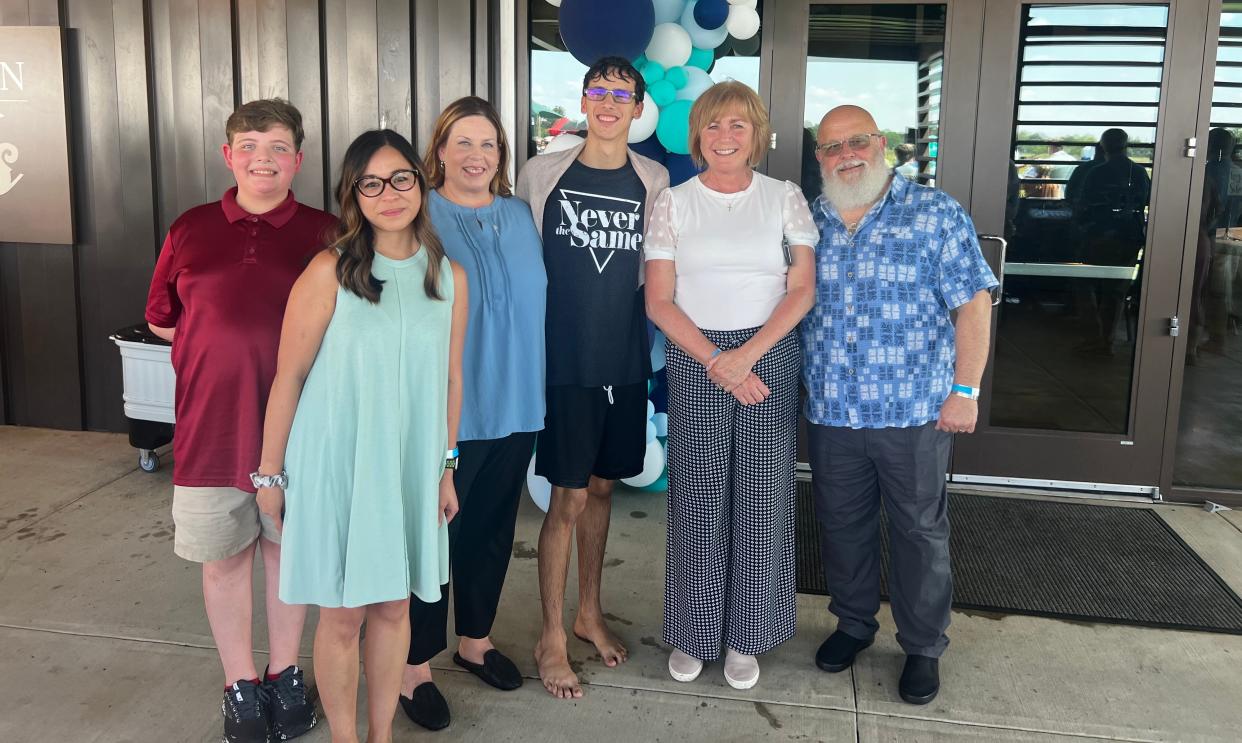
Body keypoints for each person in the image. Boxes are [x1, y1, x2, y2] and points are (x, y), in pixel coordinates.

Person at [255, 129, 467, 742]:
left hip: (411, 464)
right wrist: (270, 477)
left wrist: (447, 466)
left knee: (397, 606)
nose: (389, 193)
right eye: (370, 183)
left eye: (401, 177)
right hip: (339, 462)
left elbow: (451, 381)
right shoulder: (330, 271)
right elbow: (288, 377)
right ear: (355, 196)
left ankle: (381, 736)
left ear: (421, 184)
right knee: (344, 613)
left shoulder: (448, 277)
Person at [144, 98, 335, 743]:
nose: (263, 158)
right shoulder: (190, 228)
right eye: (250, 145)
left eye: (278, 147)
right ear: (228, 156)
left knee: (288, 556)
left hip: (299, 436)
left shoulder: (325, 232)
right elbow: (162, 316)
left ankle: (284, 675)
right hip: (210, 432)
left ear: (297, 161)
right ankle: (240, 686)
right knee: (224, 561)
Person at [802, 105, 997, 706]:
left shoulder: (934, 214)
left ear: (880, 144)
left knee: (918, 532)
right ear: (820, 158)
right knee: (842, 526)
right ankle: (855, 624)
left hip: (915, 411)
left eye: (856, 141)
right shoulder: (810, 222)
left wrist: (965, 390)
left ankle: (922, 646)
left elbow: (973, 303)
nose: (846, 155)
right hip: (834, 411)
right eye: (832, 147)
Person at [644, 81, 817, 690]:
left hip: (767, 353)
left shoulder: (784, 197)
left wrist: (748, 356)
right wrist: (719, 359)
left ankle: (750, 636)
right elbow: (660, 300)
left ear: (758, 134)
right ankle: (694, 631)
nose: (725, 137)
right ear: (698, 134)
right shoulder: (673, 201)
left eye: (738, 125)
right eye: (714, 125)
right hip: (697, 356)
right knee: (699, 498)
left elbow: (802, 290)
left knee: (762, 498)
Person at [516, 55, 670, 700]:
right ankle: (551, 636)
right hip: (565, 363)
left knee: (604, 487)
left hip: (625, 360)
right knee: (567, 497)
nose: (608, 102)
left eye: (621, 93)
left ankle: (589, 612)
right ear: (583, 102)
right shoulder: (542, 172)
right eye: (598, 91)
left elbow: (659, 268)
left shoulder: (654, 178)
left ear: (637, 107)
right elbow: (521, 263)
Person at [399, 96, 547, 730]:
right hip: (450, 408)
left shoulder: (519, 214)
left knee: (490, 530)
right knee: (433, 539)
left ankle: (475, 641)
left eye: (488, 144)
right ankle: (414, 665)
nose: (476, 156)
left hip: (518, 402)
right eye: (462, 142)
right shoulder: (418, 215)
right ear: (438, 151)